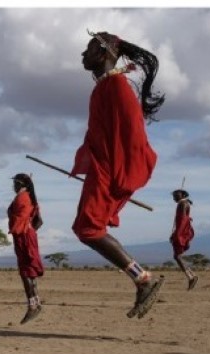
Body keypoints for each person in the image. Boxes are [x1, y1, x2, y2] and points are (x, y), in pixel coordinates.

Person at [70, 30, 165, 319]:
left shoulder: (117, 87)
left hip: (109, 172)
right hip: (101, 170)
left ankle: (143, 279)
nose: (83, 55)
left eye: (88, 49)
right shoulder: (104, 88)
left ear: (104, 53)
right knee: (85, 228)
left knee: (88, 229)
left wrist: (121, 177)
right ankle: (141, 279)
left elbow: (134, 137)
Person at [8, 173, 45, 324]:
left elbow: (20, 218)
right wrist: (31, 230)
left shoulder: (22, 198)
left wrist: (25, 229)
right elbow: (39, 221)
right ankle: (36, 303)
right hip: (26, 234)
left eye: (15, 183)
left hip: (23, 235)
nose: (13, 186)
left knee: (25, 271)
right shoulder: (30, 198)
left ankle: (32, 305)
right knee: (28, 271)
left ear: (20, 184)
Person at [170, 189, 197, 290]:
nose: (174, 198)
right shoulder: (183, 203)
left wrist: (176, 234)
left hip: (181, 232)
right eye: (174, 196)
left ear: (182, 195)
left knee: (177, 256)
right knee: (178, 256)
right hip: (182, 231)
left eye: (176, 195)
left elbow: (182, 221)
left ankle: (191, 277)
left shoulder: (183, 204)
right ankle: (191, 275)